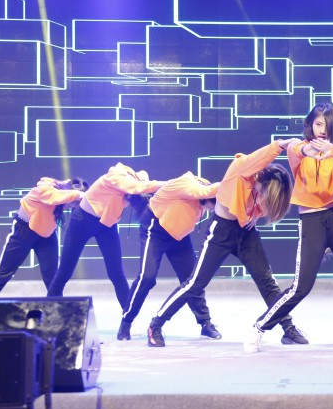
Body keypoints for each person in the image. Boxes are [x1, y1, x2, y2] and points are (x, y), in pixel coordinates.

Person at [245, 103, 333, 353]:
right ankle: (259, 328)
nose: (322, 129)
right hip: (312, 222)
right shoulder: (299, 149)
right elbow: (294, 148)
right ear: (310, 124)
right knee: (301, 287)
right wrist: (307, 149)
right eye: (318, 124)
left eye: (327, 125)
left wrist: (331, 150)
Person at [147, 140, 309, 348]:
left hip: (246, 234)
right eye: (265, 193)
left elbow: (258, 203)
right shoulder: (240, 169)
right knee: (195, 283)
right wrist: (282, 144)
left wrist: (255, 215)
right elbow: (262, 156)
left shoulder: (260, 190)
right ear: (260, 179)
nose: (264, 199)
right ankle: (156, 324)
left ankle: (288, 328)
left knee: (267, 282)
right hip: (221, 232)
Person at [117, 175, 224, 341]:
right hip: (155, 230)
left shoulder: (203, 191)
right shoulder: (187, 184)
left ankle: (205, 323)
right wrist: (231, 182)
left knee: (192, 280)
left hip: (179, 235)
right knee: (147, 278)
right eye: (213, 206)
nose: (211, 210)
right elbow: (202, 191)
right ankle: (126, 321)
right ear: (209, 197)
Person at [46, 163, 164, 310]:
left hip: (107, 224)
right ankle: (48, 314)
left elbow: (143, 176)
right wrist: (167, 184)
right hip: (82, 221)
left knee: (117, 274)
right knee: (64, 272)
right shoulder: (115, 176)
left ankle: (128, 318)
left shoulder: (132, 182)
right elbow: (138, 186)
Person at [0, 177, 88, 299]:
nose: (70, 206)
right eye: (72, 202)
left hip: (47, 236)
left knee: (53, 277)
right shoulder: (45, 187)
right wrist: (78, 195)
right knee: (4, 273)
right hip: (23, 232)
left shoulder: (63, 198)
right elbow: (51, 197)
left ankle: (57, 306)